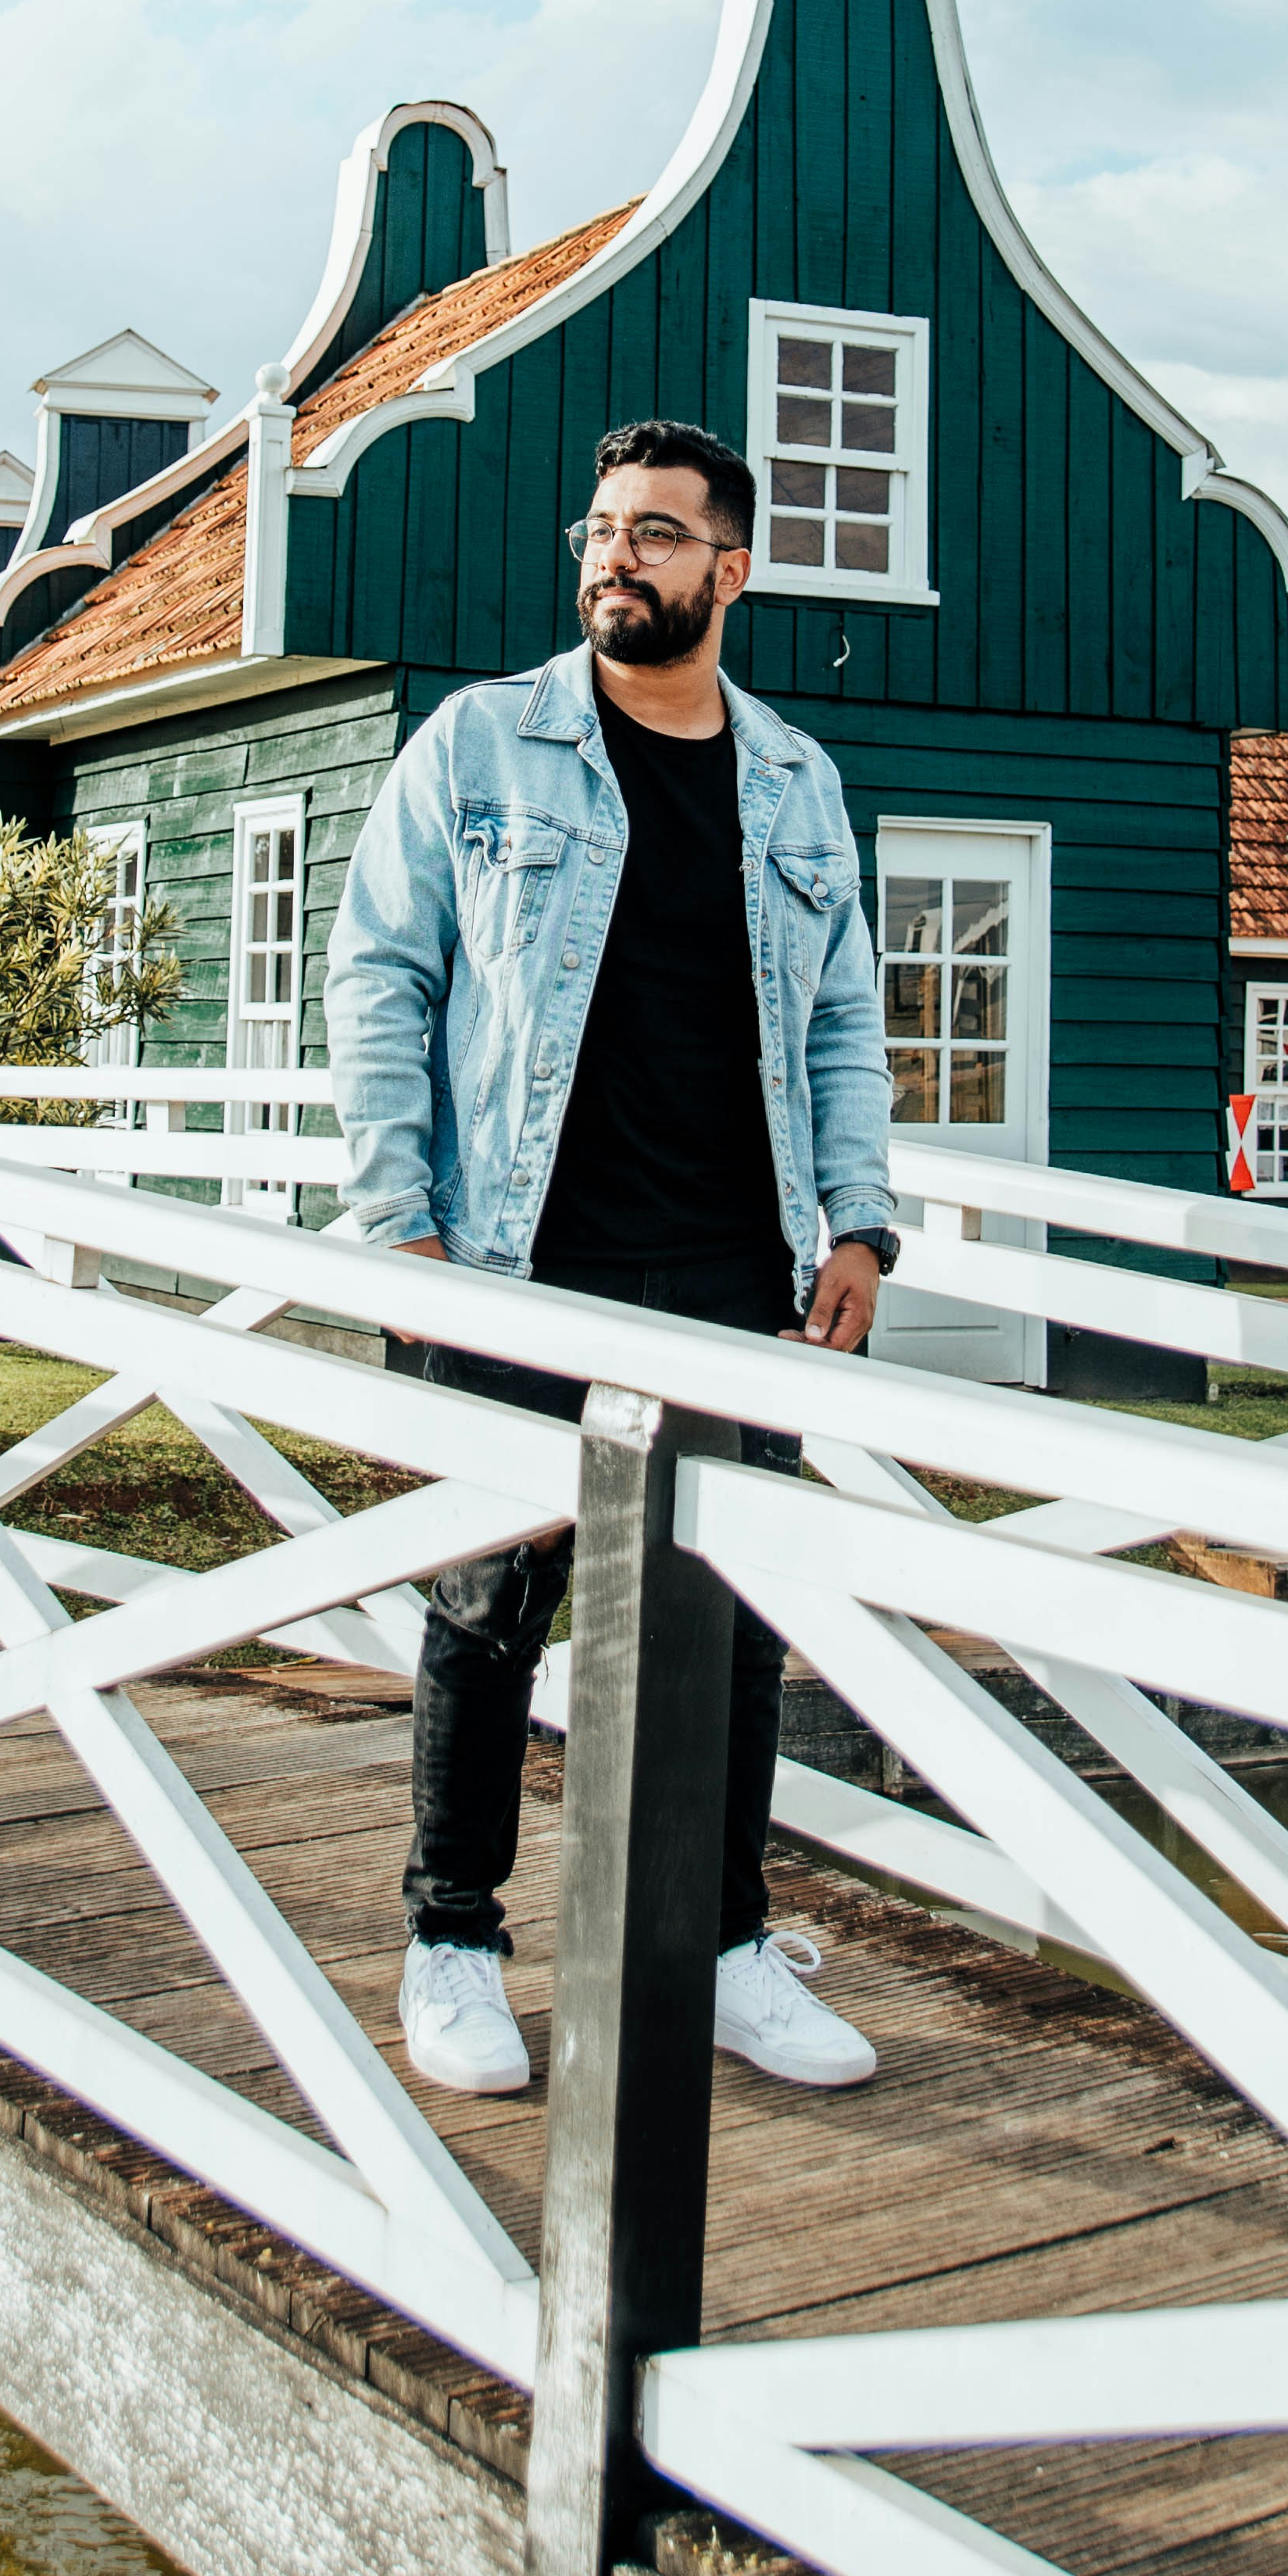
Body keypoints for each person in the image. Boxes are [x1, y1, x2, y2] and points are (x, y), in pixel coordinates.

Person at [324, 417, 899, 2098]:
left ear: (732, 569)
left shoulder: (794, 779)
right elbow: (377, 978)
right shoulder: (476, 747)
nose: (610, 558)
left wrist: (856, 1218)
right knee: (487, 1604)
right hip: (512, 1258)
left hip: (732, 1269)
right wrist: (402, 1229)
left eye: (652, 533)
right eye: (596, 529)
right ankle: (453, 1941)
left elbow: (846, 1021)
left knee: (726, 1624)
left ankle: (718, 1947)